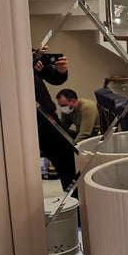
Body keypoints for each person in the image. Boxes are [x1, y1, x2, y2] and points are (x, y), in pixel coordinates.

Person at [33, 50, 77, 191]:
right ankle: (74, 196)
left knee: (67, 156)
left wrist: (61, 71)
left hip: (46, 113)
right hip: (38, 115)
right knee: (65, 155)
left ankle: (73, 196)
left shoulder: (30, 54)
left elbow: (55, 78)